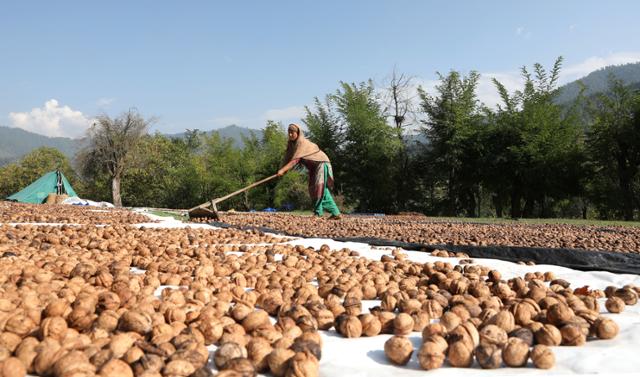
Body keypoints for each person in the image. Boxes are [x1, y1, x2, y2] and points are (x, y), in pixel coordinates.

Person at [277, 123, 341, 219]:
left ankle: (318, 213)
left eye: (292, 132)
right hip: (314, 168)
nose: (290, 135)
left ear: (298, 133)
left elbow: (295, 160)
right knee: (315, 188)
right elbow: (287, 157)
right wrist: (281, 169)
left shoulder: (302, 143)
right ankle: (335, 213)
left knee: (319, 188)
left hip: (321, 164)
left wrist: (283, 170)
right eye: (289, 132)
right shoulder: (291, 145)